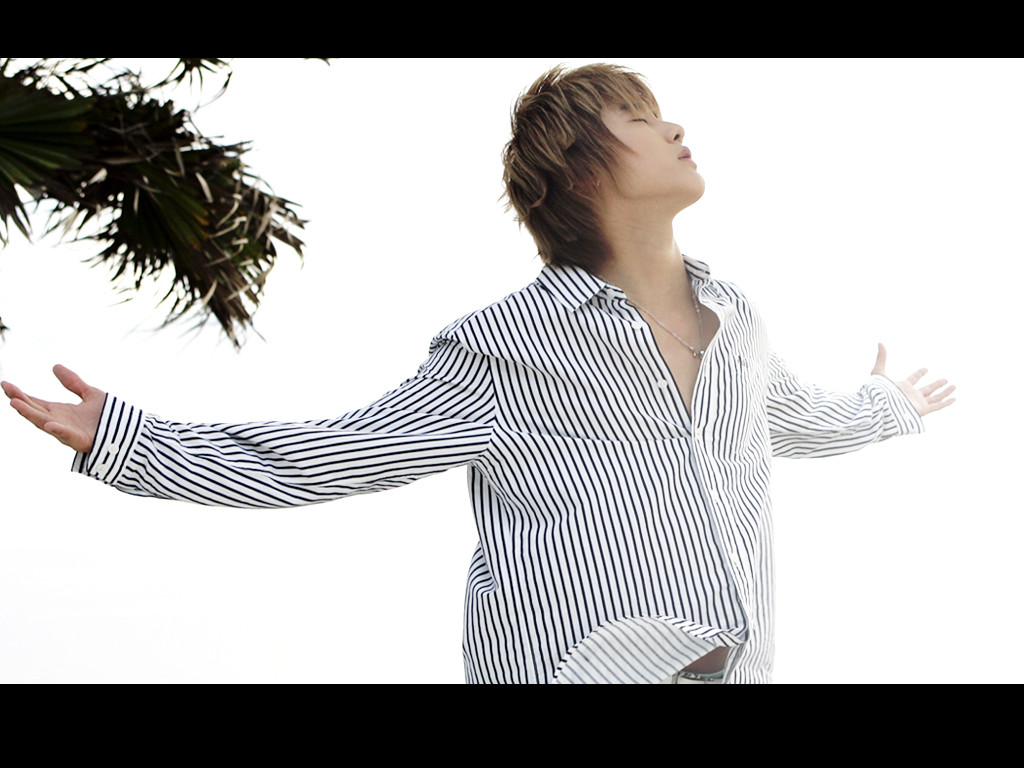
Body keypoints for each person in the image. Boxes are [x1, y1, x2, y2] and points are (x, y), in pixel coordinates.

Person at [1, 63, 955, 684]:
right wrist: (123, 437)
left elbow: (793, 417)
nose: (674, 129)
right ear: (579, 171)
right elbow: (333, 454)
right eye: (637, 119)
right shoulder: (507, 345)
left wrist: (888, 403)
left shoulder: (737, 320)